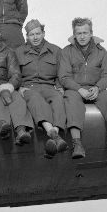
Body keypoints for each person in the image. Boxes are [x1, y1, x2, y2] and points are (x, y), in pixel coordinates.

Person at [58, 17, 107, 163]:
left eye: (85, 33)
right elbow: (64, 77)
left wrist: (98, 87)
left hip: (96, 88)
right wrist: (78, 89)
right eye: (79, 33)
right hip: (75, 89)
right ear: (74, 35)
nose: (82, 36)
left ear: (91, 33)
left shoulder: (101, 52)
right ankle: (77, 145)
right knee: (71, 101)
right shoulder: (66, 51)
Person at [15, 19, 68, 158]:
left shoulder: (56, 51)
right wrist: (19, 88)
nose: (35, 37)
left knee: (58, 99)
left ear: (43, 33)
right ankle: (53, 134)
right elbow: (15, 74)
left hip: (49, 87)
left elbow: (61, 72)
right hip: (29, 87)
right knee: (35, 98)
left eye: (38, 33)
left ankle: (54, 133)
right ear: (27, 36)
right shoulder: (19, 52)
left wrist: (60, 87)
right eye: (31, 34)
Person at [0, 20, 34, 145]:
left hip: (5, 86)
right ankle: (3, 126)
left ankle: (21, 131)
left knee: (17, 99)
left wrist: (8, 87)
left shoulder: (9, 52)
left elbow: (15, 74)